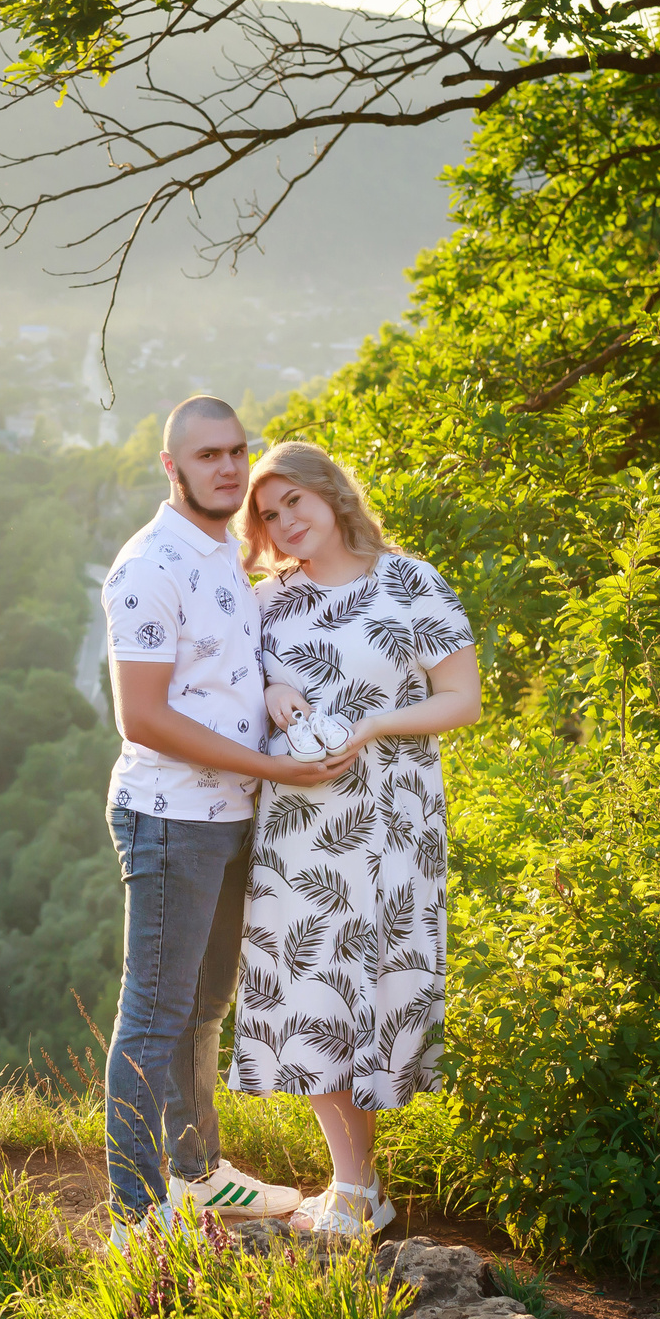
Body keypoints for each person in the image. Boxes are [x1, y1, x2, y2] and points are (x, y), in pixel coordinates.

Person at [98, 396, 348, 1248]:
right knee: (155, 1012)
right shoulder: (147, 565)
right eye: (208, 455)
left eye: (237, 451)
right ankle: (137, 1215)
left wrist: (276, 691)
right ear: (171, 467)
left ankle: (199, 1174)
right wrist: (276, 767)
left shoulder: (222, 555)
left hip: (230, 812)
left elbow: (230, 673)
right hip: (171, 818)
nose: (230, 469)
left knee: (205, 1006)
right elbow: (143, 717)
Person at [232, 440, 482, 1239]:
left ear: (331, 494)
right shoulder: (269, 601)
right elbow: (241, 683)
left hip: (390, 820)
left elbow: (462, 699)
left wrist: (374, 723)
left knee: (371, 992)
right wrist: (273, 687)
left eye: (293, 502)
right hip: (299, 827)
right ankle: (356, 1185)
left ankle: (357, 1187)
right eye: (269, 514)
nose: (284, 522)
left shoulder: (409, 580)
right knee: (310, 993)